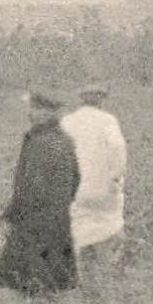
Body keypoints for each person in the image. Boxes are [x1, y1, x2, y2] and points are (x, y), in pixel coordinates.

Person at [0, 91, 81, 294]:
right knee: (55, 284)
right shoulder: (65, 140)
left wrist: (12, 212)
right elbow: (76, 180)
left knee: (19, 281)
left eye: (34, 109)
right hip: (59, 221)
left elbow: (31, 188)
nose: (30, 114)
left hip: (34, 222)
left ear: (47, 112)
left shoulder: (39, 142)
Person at [60, 84, 127, 272]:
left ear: (81, 97)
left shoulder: (67, 121)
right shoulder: (108, 120)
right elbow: (118, 152)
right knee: (109, 232)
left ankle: (79, 277)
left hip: (73, 190)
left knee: (78, 233)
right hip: (102, 191)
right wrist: (114, 181)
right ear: (101, 99)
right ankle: (104, 275)